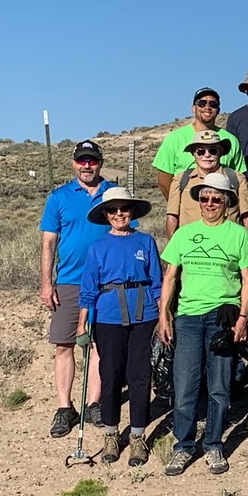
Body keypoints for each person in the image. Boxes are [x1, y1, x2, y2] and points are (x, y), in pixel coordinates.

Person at [158, 172, 248, 476]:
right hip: (188, 318)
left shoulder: (239, 235)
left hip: (223, 318)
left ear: (227, 201)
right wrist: (164, 315)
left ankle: (214, 444)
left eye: (216, 198)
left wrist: (243, 318)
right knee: (185, 386)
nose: (210, 203)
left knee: (219, 386)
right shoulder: (184, 235)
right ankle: (183, 446)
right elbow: (170, 277)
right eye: (204, 198)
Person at [77, 187, 162, 466]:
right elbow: (88, 290)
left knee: (139, 375)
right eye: (112, 210)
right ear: (105, 214)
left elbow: (157, 283)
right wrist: (82, 325)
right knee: (110, 374)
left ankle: (138, 436)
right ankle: (111, 434)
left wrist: (164, 316)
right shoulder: (98, 248)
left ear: (131, 212)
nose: (119, 214)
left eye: (123, 208)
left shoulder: (145, 242)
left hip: (143, 315)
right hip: (108, 316)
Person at [39, 140, 115, 437]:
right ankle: (64, 408)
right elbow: (48, 242)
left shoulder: (113, 194)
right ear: (74, 163)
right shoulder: (59, 198)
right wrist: (47, 283)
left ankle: (94, 403)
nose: (87, 166)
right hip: (70, 281)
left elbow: (125, 231)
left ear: (100, 162)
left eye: (92, 160)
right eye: (82, 161)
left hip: (107, 282)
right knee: (64, 345)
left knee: (99, 344)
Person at [152, 88, 245, 198]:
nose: (207, 107)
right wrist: (178, 206)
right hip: (187, 210)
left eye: (213, 104)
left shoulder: (231, 140)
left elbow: (239, 178)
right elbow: (164, 180)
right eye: (201, 103)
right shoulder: (174, 139)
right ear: (193, 108)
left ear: (218, 110)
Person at [165, 130, 248, 232]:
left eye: (213, 151)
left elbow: (247, 215)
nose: (207, 155)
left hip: (227, 243)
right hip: (192, 244)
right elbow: (172, 217)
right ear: (193, 153)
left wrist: (243, 241)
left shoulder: (237, 179)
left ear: (220, 152)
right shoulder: (181, 180)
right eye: (201, 151)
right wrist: (175, 245)